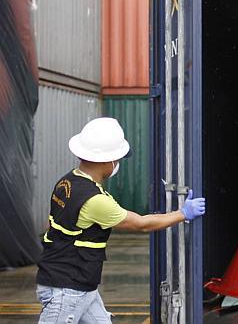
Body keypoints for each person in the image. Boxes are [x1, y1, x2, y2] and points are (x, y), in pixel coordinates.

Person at [35, 117, 206, 323]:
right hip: (67, 289)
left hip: (79, 283)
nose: (117, 164)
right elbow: (140, 223)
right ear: (108, 160)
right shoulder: (95, 200)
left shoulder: (67, 181)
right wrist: (182, 214)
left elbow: (51, 224)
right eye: (117, 159)